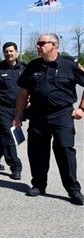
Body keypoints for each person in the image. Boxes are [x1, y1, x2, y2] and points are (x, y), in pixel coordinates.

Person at [14, 33, 84, 205]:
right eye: (38, 43)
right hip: (38, 114)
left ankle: (73, 190)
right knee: (37, 151)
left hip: (62, 114)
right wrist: (17, 116)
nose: (38, 46)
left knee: (65, 150)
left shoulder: (70, 65)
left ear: (54, 45)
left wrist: (82, 108)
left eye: (41, 43)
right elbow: (23, 93)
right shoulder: (32, 66)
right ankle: (38, 184)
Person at [0, 42, 25, 180]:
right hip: (2, 108)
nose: (9, 54)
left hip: (18, 109)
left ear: (17, 52)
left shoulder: (24, 68)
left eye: (11, 51)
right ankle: (15, 167)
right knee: (9, 136)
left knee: (4, 136)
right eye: (6, 51)